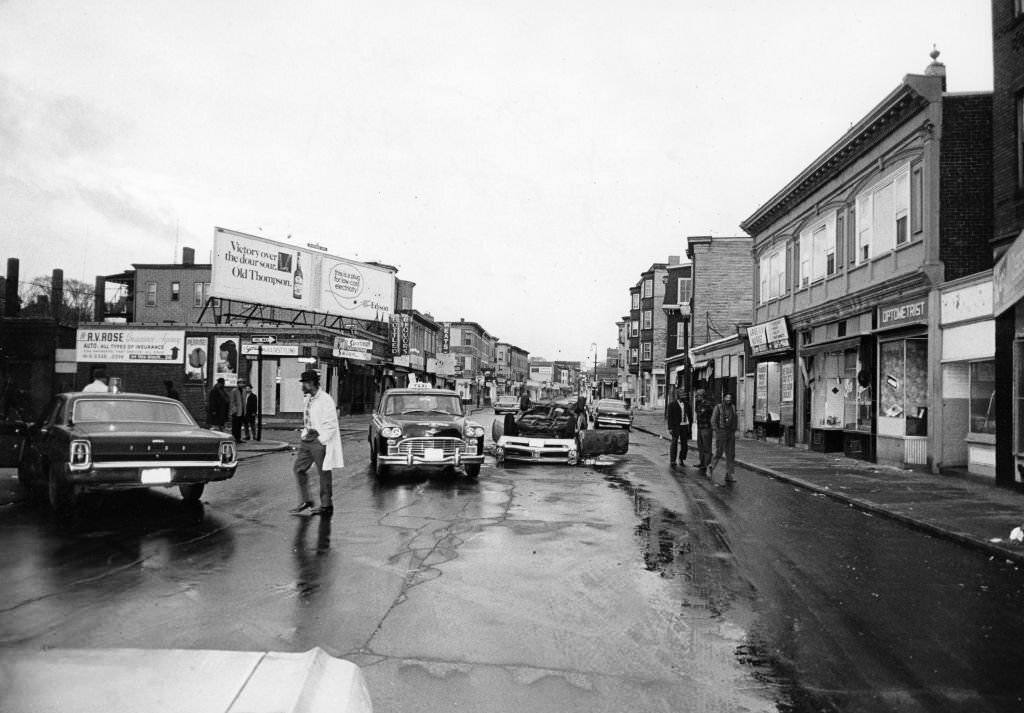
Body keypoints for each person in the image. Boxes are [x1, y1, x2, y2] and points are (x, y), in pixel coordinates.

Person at [290, 370, 344, 517]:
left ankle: (327, 505)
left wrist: (322, 440)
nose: (303, 386)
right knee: (298, 468)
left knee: (324, 473)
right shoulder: (308, 399)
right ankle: (306, 500)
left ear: (312, 383)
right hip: (306, 439)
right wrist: (305, 433)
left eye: (305, 383)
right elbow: (308, 419)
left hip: (319, 440)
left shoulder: (326, 400)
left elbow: (331, 423)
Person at [709, 393, 738, 484]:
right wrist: (717, 431)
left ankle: (729, 474)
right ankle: (710, 469)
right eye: (727, 398)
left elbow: (735, 418)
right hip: (721, 432)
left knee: (731, 454)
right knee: (718, 452)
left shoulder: (733, 407)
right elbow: (713, 420)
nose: (729, 400)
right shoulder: (718, 407)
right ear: (724, 398)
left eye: (730, 398)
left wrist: (734, 429)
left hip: (730, 433)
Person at [666, 388, 692, 468]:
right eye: (681, 395)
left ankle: (681, 459)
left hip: (685, 425)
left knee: (685, 444)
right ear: (677, 396)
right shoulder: (672, 404)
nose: (683, 397)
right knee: (674, 443)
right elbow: (669, 417)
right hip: (676, 426)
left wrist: (690, 427)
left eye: (684, 395)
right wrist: (670, 428)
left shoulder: (687, 404)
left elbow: (690, 416)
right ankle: (673, 460)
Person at [695, 390, 715, 474]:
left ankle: (707, 463)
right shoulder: (699, 404)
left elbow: (701, 413)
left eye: (698, 396)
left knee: (706, 446)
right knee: (700, 446)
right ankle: (702, 462)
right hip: (700, 427)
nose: (697, 397)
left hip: (706, 427)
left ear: (702, 396)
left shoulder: (707, 404)